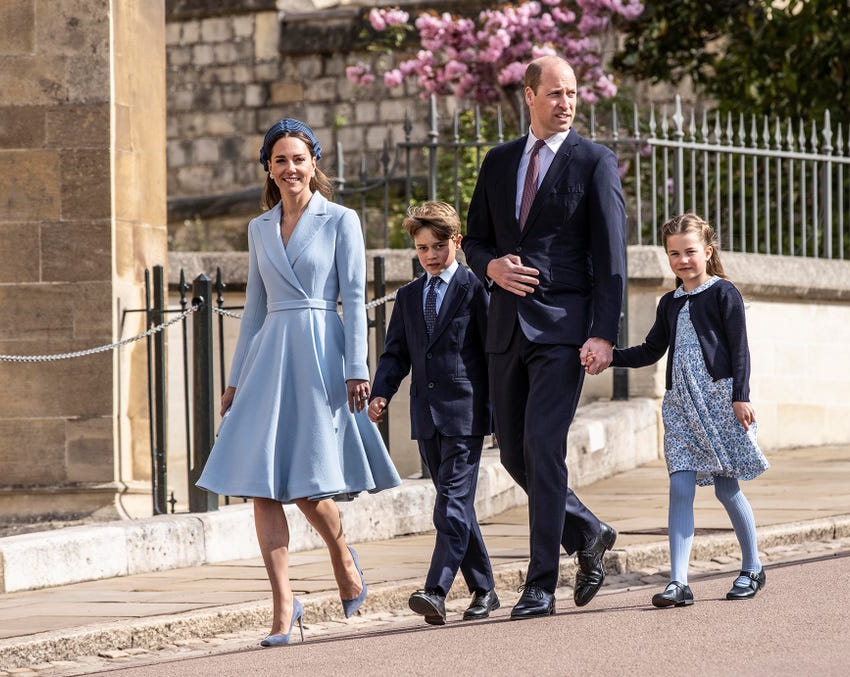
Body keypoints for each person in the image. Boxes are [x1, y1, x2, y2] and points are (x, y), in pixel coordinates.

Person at [196, 118, 401, 646]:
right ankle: (284, 606)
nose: (291, 168)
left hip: (320, 352)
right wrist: (236, 380)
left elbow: (353, 299)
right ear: (269, 167)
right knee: (263, 485)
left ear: (315, 165)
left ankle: (340, 553)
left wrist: (357, 366)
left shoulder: (341, 220)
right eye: (281, 159)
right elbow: (257, 309)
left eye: (299, 159)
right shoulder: (258, 228)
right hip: (269, 361)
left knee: (309, 486)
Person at [462, 55, 627, 619]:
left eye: (573, 94)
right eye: (554, 93)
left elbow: (611, 260)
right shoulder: (499, 161)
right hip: (506, 328)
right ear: (528, 95)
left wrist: (604, 333)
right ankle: (587, 530)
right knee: (512, 452)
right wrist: (492, 269)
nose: (566, 103)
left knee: (543, 446)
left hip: (564, 331)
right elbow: (474, 239)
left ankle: (540, 584)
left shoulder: (595, 163)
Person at [608, 213, 769, 608]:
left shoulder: (723, 293)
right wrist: (608, 357)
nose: (682, 260)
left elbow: (739, 350)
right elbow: (650, 350)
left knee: (726, 487)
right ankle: (678, 581)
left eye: (690, 252)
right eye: (674, 253)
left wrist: (741, 396)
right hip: (680, 404)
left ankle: (752, 567)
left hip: (718, 398)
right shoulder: (669, 302)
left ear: (708, 251)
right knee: (680, 487)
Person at [367, 201, 498, 626]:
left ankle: (436, 589)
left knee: (450, 505)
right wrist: (382, 392)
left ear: (457, 243)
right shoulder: (407, 296)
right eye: (422, 248)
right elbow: (396, 353)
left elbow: (491, 353)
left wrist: (498, 410)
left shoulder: (475, 288)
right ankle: (484, 590)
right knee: (456, 505)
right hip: (425, 415)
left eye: (439, 245)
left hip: (466, 412)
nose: (431, 255)